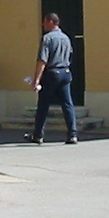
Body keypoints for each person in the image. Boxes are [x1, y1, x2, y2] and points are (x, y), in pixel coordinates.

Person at [27, 12, 77, 145]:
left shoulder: (47, 38)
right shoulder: (66, 38)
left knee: (43, 105)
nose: (43, 24)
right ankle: (72, 134)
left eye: (44, 21)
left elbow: (42, 60)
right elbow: (70, 56)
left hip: (52, 73)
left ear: (50, 22)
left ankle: (38, 135)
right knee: (67, 104)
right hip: (65, 72)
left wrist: (37, 79)